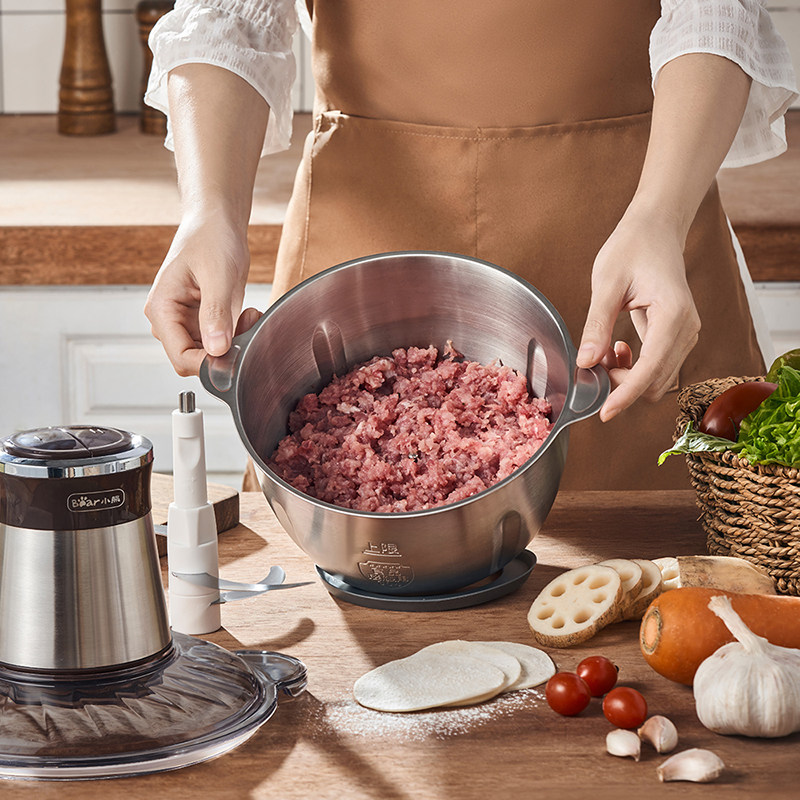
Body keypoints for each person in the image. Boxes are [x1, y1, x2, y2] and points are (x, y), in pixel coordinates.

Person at [143, 0, 797, 490]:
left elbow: (716, 12)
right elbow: (228, 15)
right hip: (368, 245)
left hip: (635, 217)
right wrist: (210, 211)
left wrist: (659, 213)